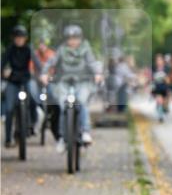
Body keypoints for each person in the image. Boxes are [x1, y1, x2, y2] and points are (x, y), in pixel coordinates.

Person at [40, 24, 104, 152]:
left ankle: (85, 131)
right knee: (63, 106)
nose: (73, 41)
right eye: (70, 38)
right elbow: (51, 62)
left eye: (75, 38)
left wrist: (97, 73)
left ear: (80, 39)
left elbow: (92, 62)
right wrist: (44, 73)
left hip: (82, 82)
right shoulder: (61, 50)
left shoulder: (86, 49)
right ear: (66, 40)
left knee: (82, 102)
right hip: (64, 82)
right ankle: (63, 138)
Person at [3, 25, 42, 147]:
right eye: (17, 37)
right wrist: (3, 72)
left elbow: (37, 64)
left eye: (21, 37)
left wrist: (40, 75)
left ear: (25, 38)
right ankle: (8, 138)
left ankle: (32, 125)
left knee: (34, 100)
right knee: (9, 109)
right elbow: (2, 63)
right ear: (13, 39)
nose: (19, 40)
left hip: (26, 79)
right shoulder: (9, 49)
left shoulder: (29, 49)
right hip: (12, 81)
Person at [151, 53, 172, 122]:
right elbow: (151, 79)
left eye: (160, 60)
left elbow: (169, 80)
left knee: (164, 103)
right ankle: (160, 116)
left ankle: (162, 109)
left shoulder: (167, 69)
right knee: (159, 101)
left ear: (163, 61)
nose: (158, 62)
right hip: (157, 88)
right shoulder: (154, 69)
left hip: (165, 88)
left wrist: (165, 78)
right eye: (157, 60)